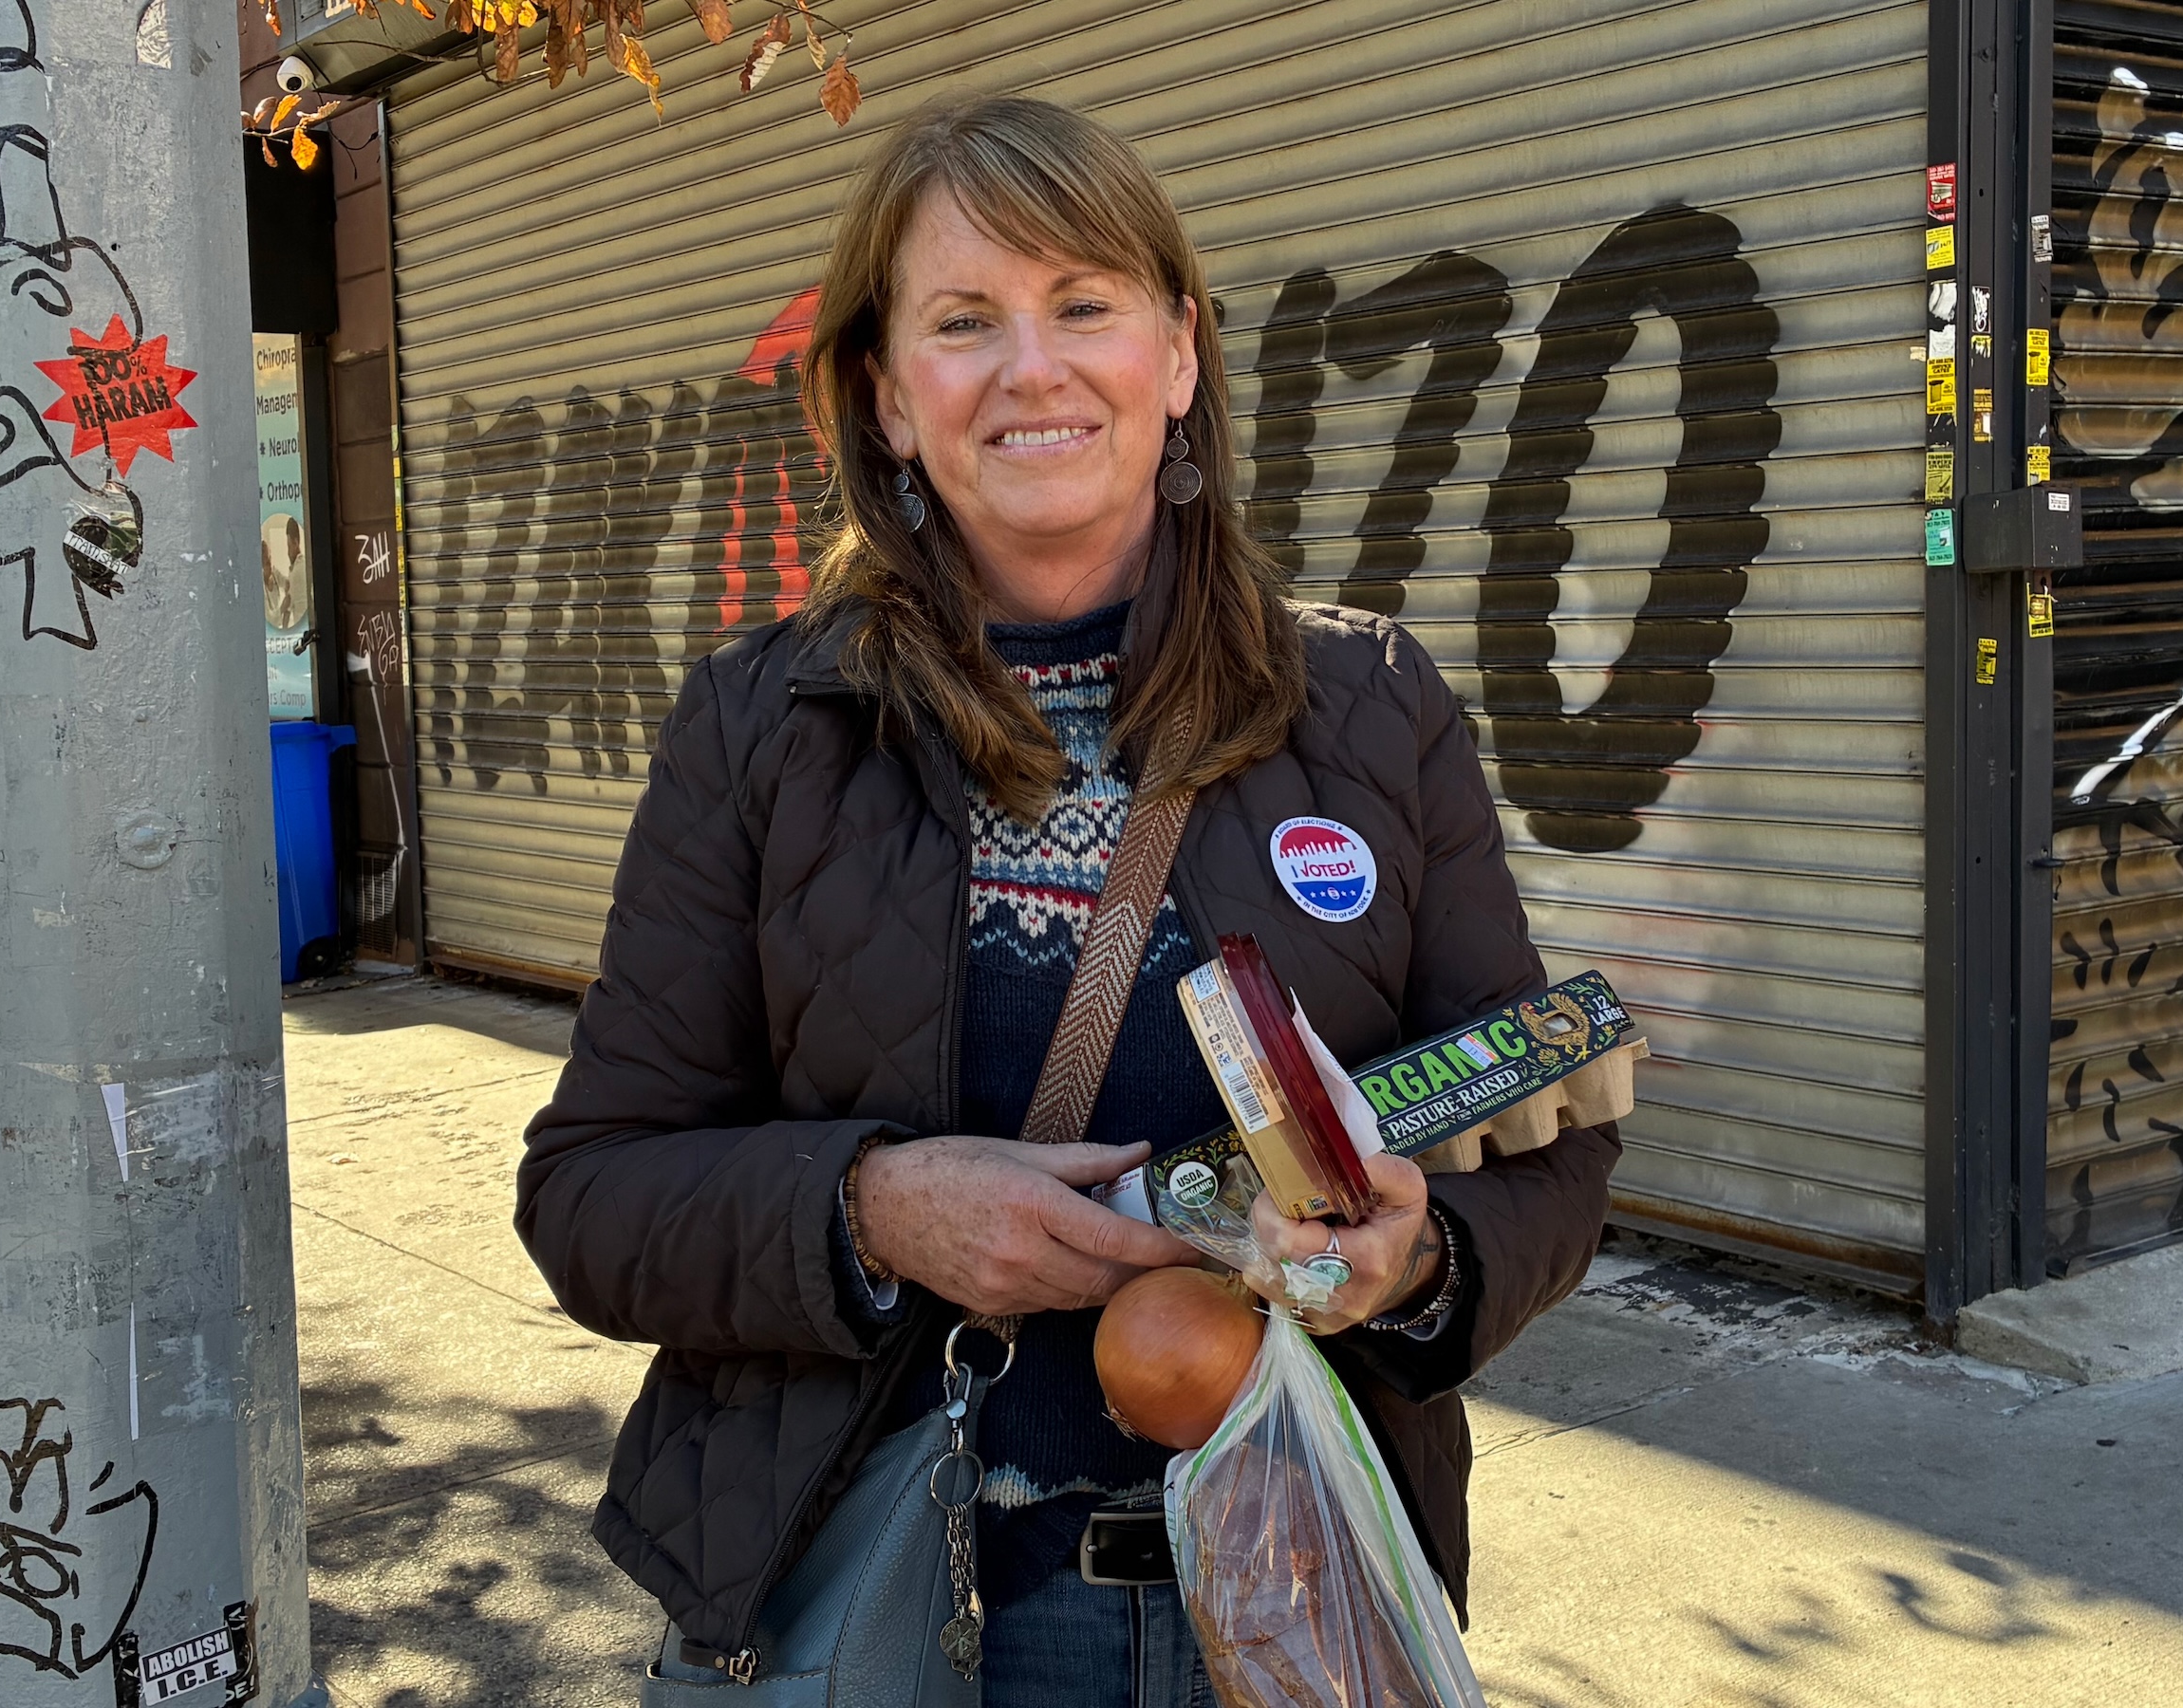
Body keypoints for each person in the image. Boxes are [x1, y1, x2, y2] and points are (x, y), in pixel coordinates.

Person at [518, 94, 1616, 1707]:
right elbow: (595, 1199)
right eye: (964, 323)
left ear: (1176, 358)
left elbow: (1548, 1137)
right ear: (888, 401)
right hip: (896, 1605)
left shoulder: (1372, 705)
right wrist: (873, 1211)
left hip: (1283, 1596)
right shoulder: (763, 726)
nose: (1032, 368)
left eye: (1083, 305)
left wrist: (1423, 1262)